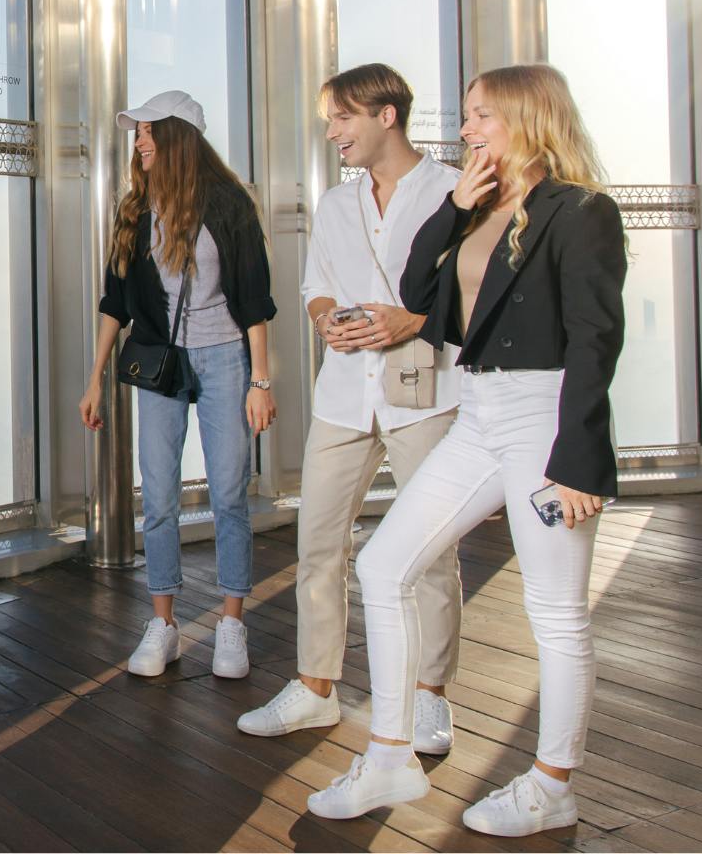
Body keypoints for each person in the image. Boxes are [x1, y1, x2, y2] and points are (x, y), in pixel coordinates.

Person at [306, 65, 626, 837]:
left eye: (481, 115)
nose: (467, 128)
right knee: (384, 565)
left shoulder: (581, 211)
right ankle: (390, 756)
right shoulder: (478, 204)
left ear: (524, 117)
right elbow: (420, 291)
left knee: (555, 614)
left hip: (544, 416)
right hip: (480, 413)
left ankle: (553, 786)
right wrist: (453, 206)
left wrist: (578, 461)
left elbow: (596, 341)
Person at [238, 64, 462, 752]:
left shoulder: (454, 190)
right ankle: (315, 689)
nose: (331, 130)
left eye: (342, 117)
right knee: (318, 544)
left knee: (432, 550)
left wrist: (414, 320)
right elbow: (316, 284)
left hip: (424, 389)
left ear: (385, 115)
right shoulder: (335, 204)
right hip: (343, 393)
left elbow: (475, 288)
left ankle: (429, 697)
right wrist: (329, 316)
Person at [79, 90, 277, 679]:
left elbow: (256, 301)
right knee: (159, 497)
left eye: (148, 132)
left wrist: (260, 381)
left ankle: (232, 624)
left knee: (228, 495)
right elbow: (115, 302)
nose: (139, 143)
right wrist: (94, 379)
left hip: (224, 360)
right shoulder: (134, 210)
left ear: (179, 138)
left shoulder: (229, 204)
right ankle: (162, 623)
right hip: (160, 363)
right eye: (137, 133)